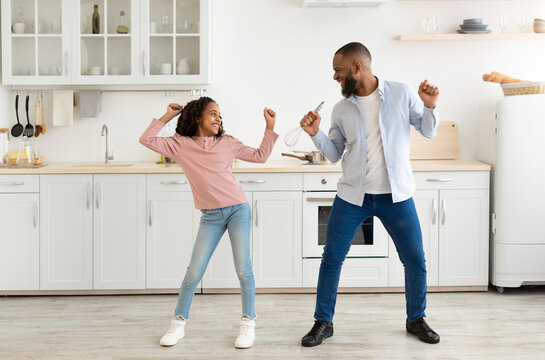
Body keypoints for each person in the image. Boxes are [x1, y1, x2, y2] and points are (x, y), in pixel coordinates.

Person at [299, 42, 441, 347]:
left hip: (396, 195)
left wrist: (430, 106)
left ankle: (416, 319)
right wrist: (315, 134)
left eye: (338, 70)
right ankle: (323, 322)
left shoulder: (401, 93)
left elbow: (428, 131)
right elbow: (334, 153)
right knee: (332, 259)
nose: (335, 76)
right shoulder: (341, 109)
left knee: (415, 259)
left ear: (356, 67)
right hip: (353, 196)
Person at [139, 97, 278, 349]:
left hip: (238, 209)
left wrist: (269, 127)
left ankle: (248, 324)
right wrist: (167, 116)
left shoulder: (227, 142)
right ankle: (178, 324)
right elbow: (146, 140)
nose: (218, 119)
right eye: (213, 114)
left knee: (243, 269)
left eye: (220, 115)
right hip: (210, 216)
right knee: (193, 272)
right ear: (197, 117)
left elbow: (260, 156)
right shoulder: (180, 145)